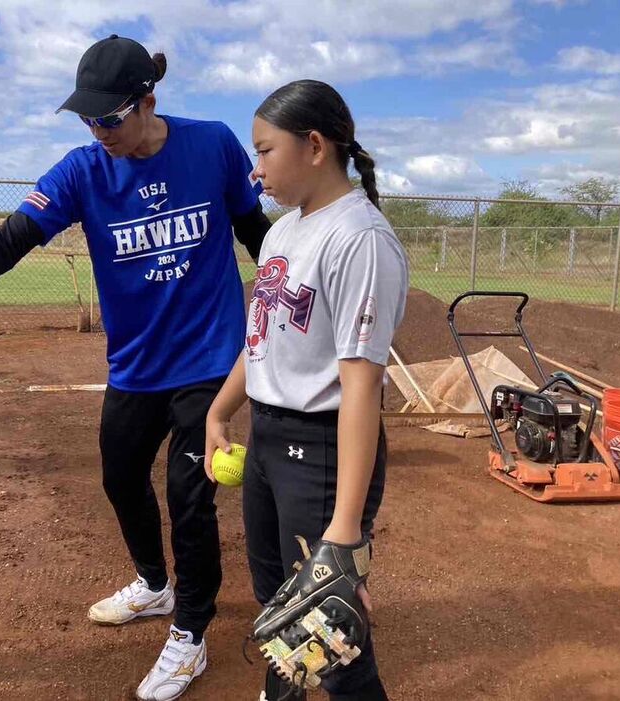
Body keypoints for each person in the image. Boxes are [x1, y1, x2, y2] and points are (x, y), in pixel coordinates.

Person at [0, 35, 271, 700]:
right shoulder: (82, 171)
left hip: (210, 362)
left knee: (190, 501)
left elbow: (258, 235)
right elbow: (8, 240)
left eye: (109, 118)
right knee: (119, 478)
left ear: (147, 103)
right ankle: (156, 586)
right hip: (135, 367)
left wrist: (300, 300)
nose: (97, 130)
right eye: (87, 118)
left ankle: (191, 632)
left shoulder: (213, 144)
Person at [204, 79, 408, 701]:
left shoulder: (360, 240)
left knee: (330, 630)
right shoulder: (283, 232)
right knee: (278, 606)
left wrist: (345, 531)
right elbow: (261, 340)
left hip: (318, 454)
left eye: (264, 151)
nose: (255, 168)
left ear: (314, 145)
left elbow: (362, 389)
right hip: (267, 442)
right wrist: (220, 412)